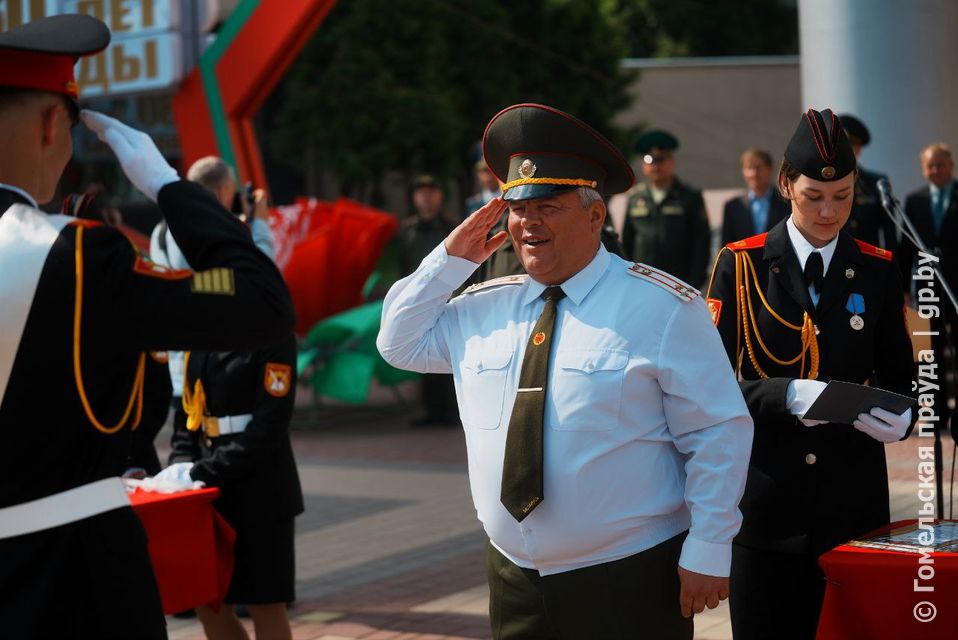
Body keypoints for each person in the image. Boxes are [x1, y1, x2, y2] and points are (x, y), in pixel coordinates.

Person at [377, 103, 753, 639]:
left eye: (548, 207)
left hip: (629, 574)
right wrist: (450, 260)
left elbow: (717, 432)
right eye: (517, 208)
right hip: (513, 576)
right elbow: (397, 343)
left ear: (595, 216)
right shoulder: (483, 307)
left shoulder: (664, 308)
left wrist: (710, 545)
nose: (528, 222)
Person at [0, 14, 294, 639]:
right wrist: (169, 186)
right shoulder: (79, 258)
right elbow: (259, 300)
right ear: (52, 124)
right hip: (70, 576)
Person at [705, 108, 915, 639]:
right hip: (766, 509)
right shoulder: (742, 265)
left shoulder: (877, 268)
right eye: (813, 196)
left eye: (842, 196)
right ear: (785, 185)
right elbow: (708, 387)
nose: (828, 211)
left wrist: (903, 417)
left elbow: (901, 378)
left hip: (852, 506)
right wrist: (787, 394)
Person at [164, 333, 303, 639]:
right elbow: (188, 412)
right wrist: (181, 463)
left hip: (261, 489)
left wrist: (204, 471)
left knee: (264, 604)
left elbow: (270, 425)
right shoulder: (203, 336)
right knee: (208, 606)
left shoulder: (272, 337)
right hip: (208, 492)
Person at [900, 142, 958, 441]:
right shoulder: (914, 201)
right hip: (926, 289)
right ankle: (935, 415)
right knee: (928, 355)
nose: (936, 170)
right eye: (930, 166)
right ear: (923, 169)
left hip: (956, 288)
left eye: (940, 164)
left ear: (951, 165)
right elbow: (904, 248)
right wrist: (902, 289)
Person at [397, 174, 460, 427]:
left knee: (447, 352)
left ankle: (452, 410)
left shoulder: (452, 228)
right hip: (418, 300)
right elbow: (403, 267)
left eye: (431, 192)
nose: (426, 197)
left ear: (440, 196)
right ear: (415, 198)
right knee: (422, 353)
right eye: (421, 193)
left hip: (448, 297)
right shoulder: (407, 231)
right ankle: (431, 410)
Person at [620, 129, 710, 287]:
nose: (655, 166)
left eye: (660, 159)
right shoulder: (635, 197)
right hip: (642, 281)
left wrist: (693, 284)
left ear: (671, 162)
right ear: (643, 165)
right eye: (649, 160)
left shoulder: (690, 196)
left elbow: (701, 243)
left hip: (678, 283)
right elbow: (627, 241)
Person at [838, 114, 898, 251]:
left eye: (851, 144)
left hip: (868, 259)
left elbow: (890, 233)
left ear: (859, 149)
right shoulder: (822, 183)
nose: (846, 149)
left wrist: (890, 262)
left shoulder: (877, 183)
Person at [720, 147, 790, 246]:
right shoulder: (733, 207)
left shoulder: (786, 202)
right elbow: (726, 246)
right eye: (749, 168)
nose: (754, 173)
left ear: (770, 169)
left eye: (758, 167)